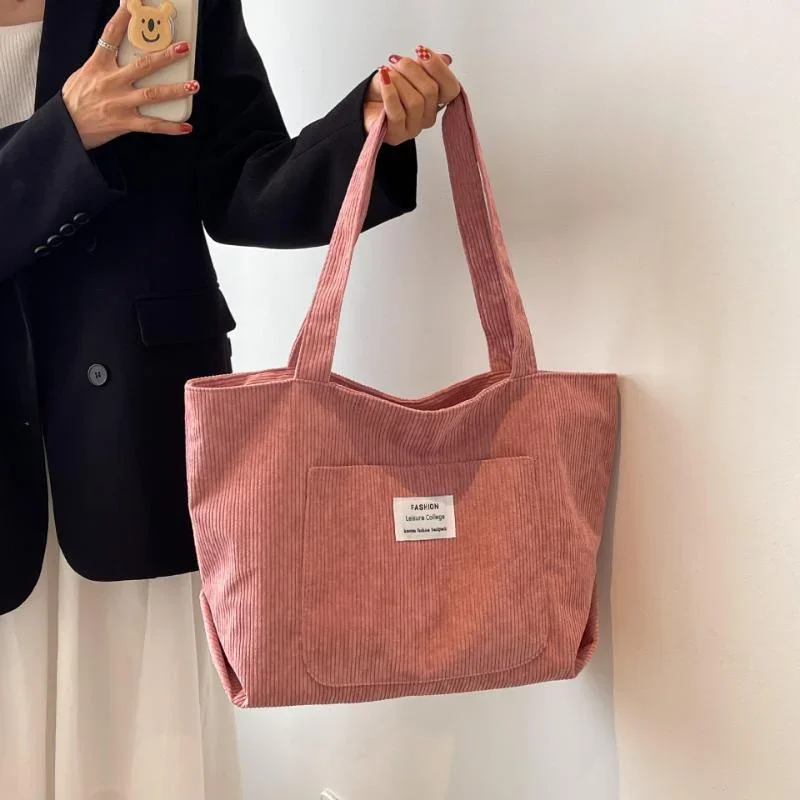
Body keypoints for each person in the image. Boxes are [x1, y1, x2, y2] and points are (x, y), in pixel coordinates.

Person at [0, 0, 461, 797]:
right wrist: (65, 133)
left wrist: (364, 132)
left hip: (129, 439)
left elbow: (242, 181)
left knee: (138, 750)